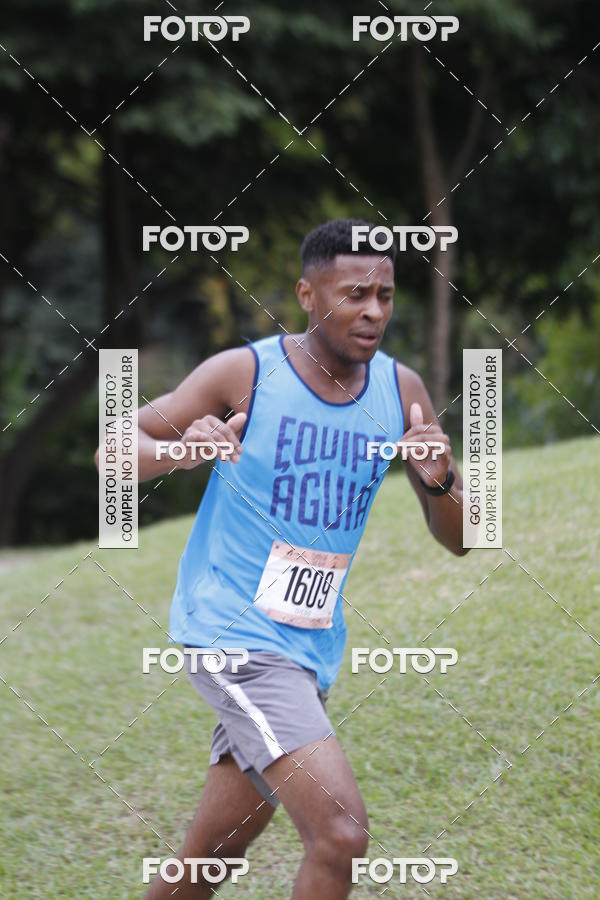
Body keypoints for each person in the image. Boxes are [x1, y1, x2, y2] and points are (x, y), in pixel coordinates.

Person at [136, 218, 469, 898]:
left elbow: (460, 537)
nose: (373, 311)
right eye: (354, 294)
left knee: (212, 856)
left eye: (384, 295)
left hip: (308, 647)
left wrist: (438, 478)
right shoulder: (245, 372)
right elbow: (116, 448)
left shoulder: (400, 392)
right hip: (232, 632)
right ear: (308, 295)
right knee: (341, 833)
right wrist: (183, 451)